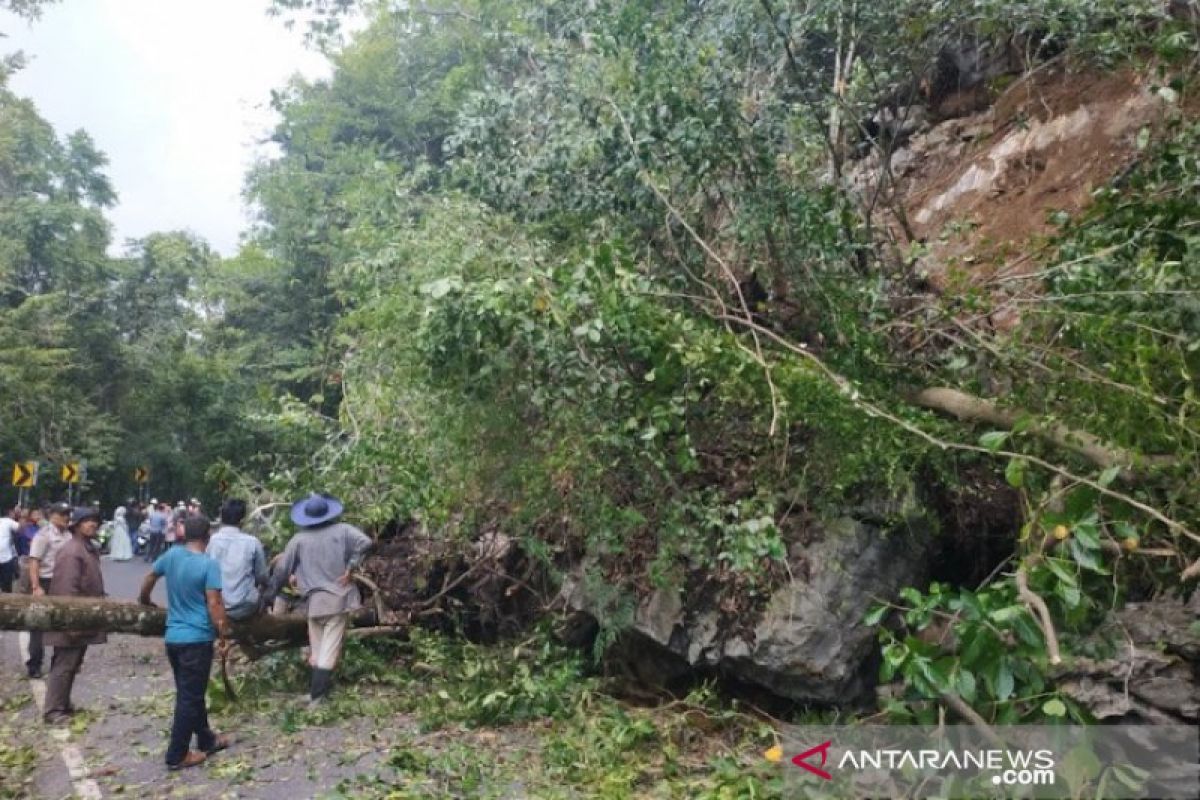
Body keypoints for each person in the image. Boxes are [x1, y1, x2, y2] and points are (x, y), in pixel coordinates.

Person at [139, 515, 231, 770]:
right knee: (189, 698)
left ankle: (206, 739)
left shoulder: (171, 556)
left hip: (174, 638)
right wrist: (223, 636)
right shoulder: (208, 564)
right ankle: (177, 755)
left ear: (183, 534)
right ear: (208, 537)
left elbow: (149, 577)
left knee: (191, 692)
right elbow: (214, 603)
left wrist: (144, 599)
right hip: (197, 639)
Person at [266, 493, 371, 702]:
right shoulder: (343, 531)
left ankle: (315, 693)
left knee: (317, 650)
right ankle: (318, 697)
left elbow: (282, 570)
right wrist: (351, 567)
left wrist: (267, 597)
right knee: (328, 652)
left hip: (313, 604)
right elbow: (366, 542)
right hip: (337, 599)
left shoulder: (298, 540)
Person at [42, 507, 106, 724]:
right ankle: (53, 711)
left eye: (94, 521)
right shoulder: (72, 551)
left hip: (83, 616)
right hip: (71, 617)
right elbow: (66, 590)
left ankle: (63, 704)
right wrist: (71, 623)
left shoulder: (87, 548)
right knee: (64, 663)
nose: (92, 525)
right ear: (77, 525)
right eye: (87, 521)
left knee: (73, 663)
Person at [26, 502, 73, 678]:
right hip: (45, 582)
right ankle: (34, 664)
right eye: (62, 514)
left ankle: (58, 664)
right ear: (52, 515)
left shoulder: (69, 535)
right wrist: (36, 586)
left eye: (68, 514)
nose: (66, 517)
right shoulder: (44, 535)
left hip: (63, 583)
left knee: (62, 624)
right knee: (38, 625)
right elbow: (34, 561)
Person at [206, 499, 268, 621]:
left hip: (218, 605)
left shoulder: (212, 541)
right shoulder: (253, 542)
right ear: (242, 521)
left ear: (222, 518)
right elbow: (262, 577)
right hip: (245, 607)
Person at [0, 507, 19, 593]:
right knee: (6, 586)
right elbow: (20, 528)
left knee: (6, 586)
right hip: (6, 559)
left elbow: (19, 529)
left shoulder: (8, 521)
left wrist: (19, 516)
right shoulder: (8, 521)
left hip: (6, 559)